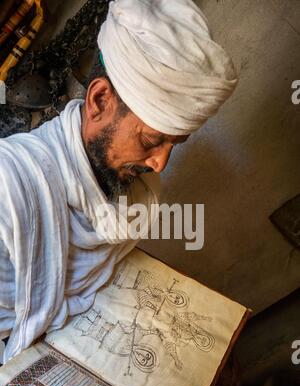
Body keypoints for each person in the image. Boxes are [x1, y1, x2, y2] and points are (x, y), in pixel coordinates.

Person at [0, 0, 238, 364]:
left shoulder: (140, 197)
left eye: (174, 145)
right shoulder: (9, 189)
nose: (160, 164)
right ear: (99, 100)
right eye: (150, 140)